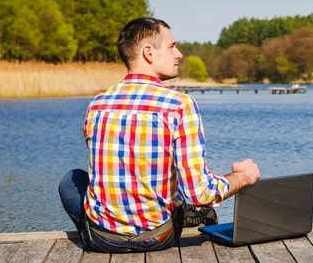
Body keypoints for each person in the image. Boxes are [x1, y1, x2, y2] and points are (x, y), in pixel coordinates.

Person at [58, 17, 260, 253]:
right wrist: (243, 177)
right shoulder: (179, 105)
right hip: (158, 238)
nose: (179, 54)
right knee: (186, 192)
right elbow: (200, 193)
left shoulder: (97, 105)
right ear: (149, 53)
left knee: (71, 179)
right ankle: (185, 212)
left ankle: (110, 223)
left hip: (102, 240)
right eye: (172, 47)